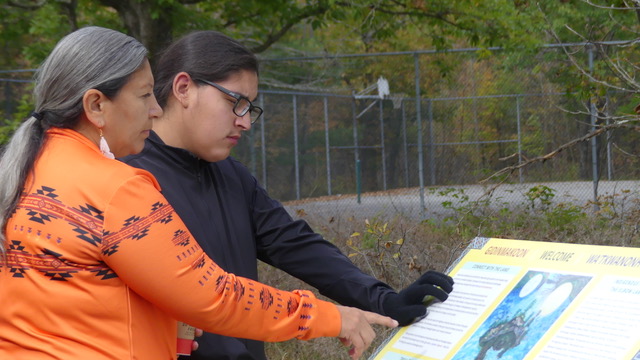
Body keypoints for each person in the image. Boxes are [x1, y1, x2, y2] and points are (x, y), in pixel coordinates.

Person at [0, 26, 399, 360]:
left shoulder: (24, 173)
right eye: (143, 97)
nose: (154, 109)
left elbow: (66, 303)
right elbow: (217, 297)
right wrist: (329, 317)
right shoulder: (117, 188)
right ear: (96, 105)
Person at [121, 30, 455, 360]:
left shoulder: (230, 175)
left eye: (249, 107)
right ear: (183, 89)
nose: (245, 122)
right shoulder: (127, 183)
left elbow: (294, 243)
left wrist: (382, 298)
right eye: (235, 102)